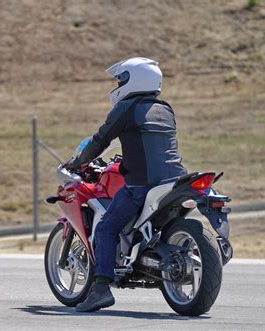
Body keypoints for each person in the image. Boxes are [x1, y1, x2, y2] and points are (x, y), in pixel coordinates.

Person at [64, 57, 186, 312]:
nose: (118, 84)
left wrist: (76, 163)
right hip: (175, 181)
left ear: (133, 80)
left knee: (107, 228)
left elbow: (100, 140)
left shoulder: (126, 108)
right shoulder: (165, 108)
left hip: (142, 185)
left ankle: (100, 288)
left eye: (121, 79)